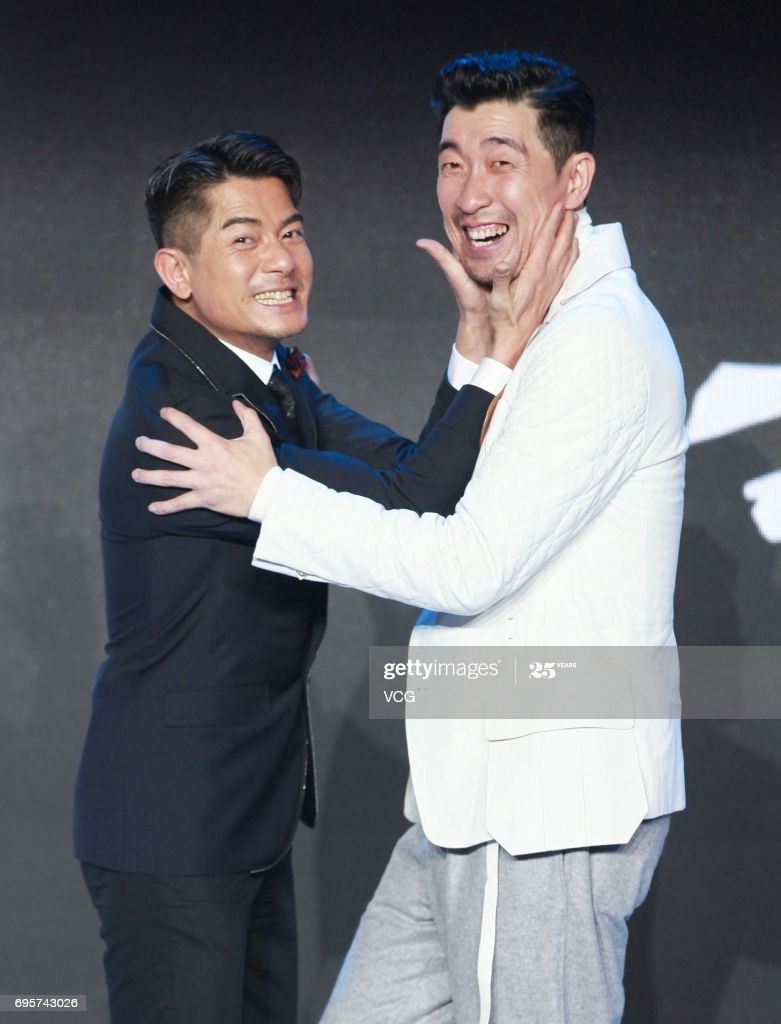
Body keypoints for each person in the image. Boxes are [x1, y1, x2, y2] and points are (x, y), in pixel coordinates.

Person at [133, 49, 685, 1024]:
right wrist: (479, 359)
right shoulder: (536, 322)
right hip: (469, 806)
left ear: (573, 179)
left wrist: (269, 497)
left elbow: (467, 563)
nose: (469, 191)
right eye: (451, 160)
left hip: (541, 811)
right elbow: (434, 485)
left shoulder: (596, 338)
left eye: (501, 160)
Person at [74, 129, 575, 1024]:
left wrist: (473, 346)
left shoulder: (264, 371)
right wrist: (499, 349)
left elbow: (416, 473)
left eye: (291, 232)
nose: (281, 259)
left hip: (240, 815)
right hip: (171, 824)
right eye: (244, 238)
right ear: (177, 270)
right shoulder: (192, 414)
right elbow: (416, 498)